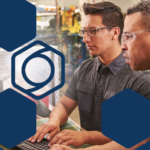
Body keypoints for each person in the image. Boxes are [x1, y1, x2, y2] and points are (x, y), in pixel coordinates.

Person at [29, 1, 150, 150]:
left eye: (93, 31)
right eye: (84, 31)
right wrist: (54, 120)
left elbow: (132, 137)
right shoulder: (85, 69)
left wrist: (85, 136)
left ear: (115, 32)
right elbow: (64, 105)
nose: (85, 38)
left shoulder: (139, 77)